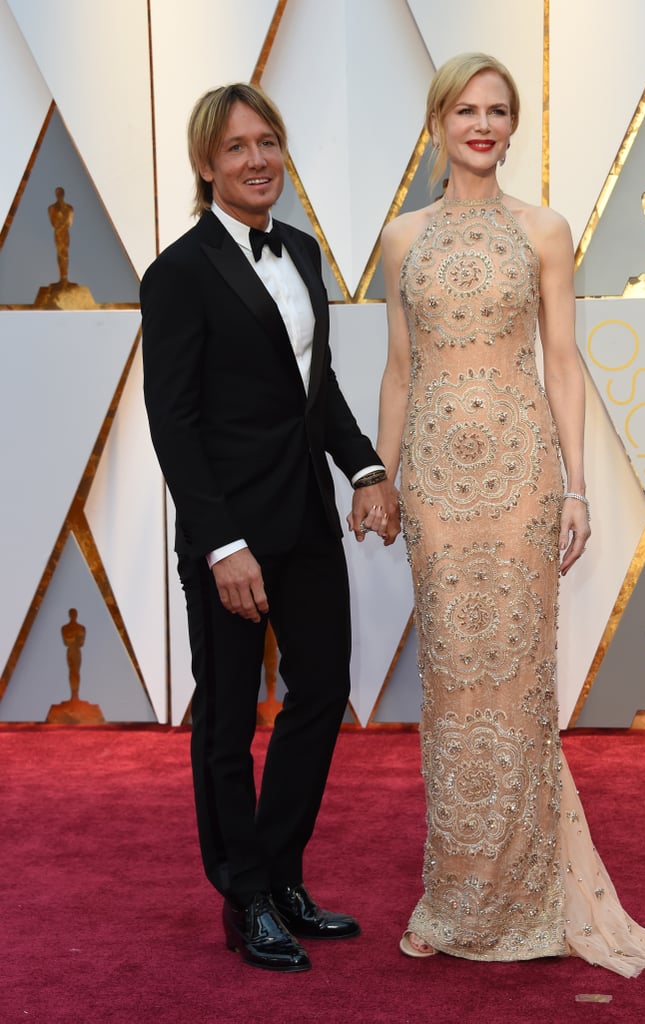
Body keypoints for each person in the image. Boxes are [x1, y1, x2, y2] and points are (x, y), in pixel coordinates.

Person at [366, 52, 645, 976]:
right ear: (438, 122)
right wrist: (381, 476)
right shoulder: (401, 238)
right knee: (452, 689)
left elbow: (562, 361)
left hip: (517, 483)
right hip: (436, 483)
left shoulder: (546, 230)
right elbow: (399, 368)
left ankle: (521, 896)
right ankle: (457, 895)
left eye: (498, 111)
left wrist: (578, 486)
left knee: (515, 689)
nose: (482, 125)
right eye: (466, 110)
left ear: (514, 126)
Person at [141, 82, 399, 974]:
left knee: (322, 691)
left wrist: (363, 467)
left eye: (270, 142)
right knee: (225, 722)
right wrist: (220, 545)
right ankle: (243, 894)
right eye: (238, 147)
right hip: (230, 541)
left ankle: (283, 870)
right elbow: (173, 422)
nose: (258, 160)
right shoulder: (176, 274)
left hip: (307, 521)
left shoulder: (302, 251)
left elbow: (311, 390)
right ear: (207, 164)